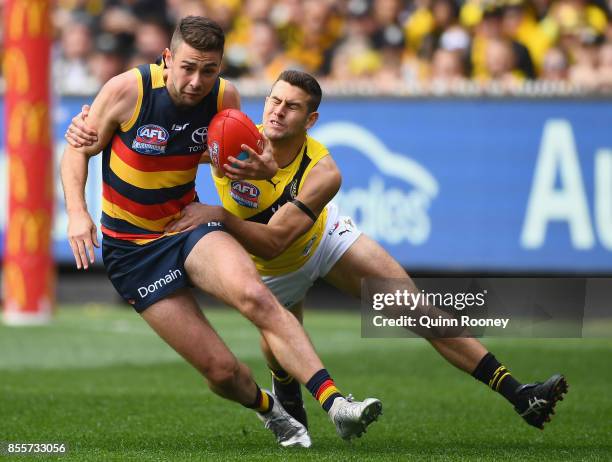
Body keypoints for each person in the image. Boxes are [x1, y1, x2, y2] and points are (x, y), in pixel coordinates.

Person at [68, 69, 568, 433]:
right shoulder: (231, 138)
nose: (276, 111)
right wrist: (85, 132)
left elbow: (276, 238)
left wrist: (220, 215)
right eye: (274, 101)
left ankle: (517, 392)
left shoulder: (323, 171)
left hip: (320, 245)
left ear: (312, 118)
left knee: (416, 309)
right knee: (280, 353)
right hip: (268, 275)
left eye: (291, 107)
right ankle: (289, 399)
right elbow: (156, 145)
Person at [61, 16, 382, 449]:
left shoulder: (223, 97)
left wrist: (265, 169)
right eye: (188, 67)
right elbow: (77, 150)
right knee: (222, 372)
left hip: (187, 225)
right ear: (168, 58)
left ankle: (336, 403)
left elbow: (235, 154)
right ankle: (271, 410)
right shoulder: (127, 90)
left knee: (257, 297)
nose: (197, 81)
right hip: (132, 253)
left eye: (209, 70)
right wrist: (78, 212)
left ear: (220, 68)